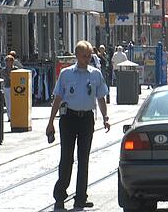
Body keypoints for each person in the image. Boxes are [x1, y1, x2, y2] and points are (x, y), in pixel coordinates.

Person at [46, 41, 110, 211]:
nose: (87, 59)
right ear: (77, 56)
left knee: (84, 159)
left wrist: (105, 117)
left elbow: (101, 97)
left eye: (89, 56)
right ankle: (60, 196)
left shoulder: (95, 74)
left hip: (86, 119)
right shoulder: (66, 74)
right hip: (68, 119)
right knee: (66, 158)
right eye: (84, 56)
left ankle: (80, 198)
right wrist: (50, 122)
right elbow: (58, 98)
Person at [0, 55, 13, 122]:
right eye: (7, 61)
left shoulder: (15, 69)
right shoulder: (3, 70)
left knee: (14, 102)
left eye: (10, 60)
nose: (8, 62)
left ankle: (14, 115)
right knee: (8, 102)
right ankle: (9, 117)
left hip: (14, 87)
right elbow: (4, 78)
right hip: (7, 87)